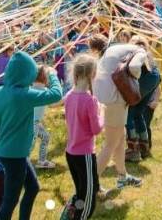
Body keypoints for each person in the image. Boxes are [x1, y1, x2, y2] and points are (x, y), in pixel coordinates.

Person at [0, 50, 63, 220]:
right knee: (10, 199)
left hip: (8, 151)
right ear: (26, 74)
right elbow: (56, 94)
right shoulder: (24, 95)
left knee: (33, 187)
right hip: (15, 154)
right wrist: (52, 75)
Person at [92, 34, 146, 188]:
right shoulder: (140, 51)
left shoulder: (116, 48)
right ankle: (91, 183)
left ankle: (122, 175)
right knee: (111, 143)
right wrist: (135, 78)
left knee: (120, 137)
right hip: (114, 98)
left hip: (104, 95)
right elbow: (135, 67)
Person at [63, 53, 103, 220]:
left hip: (70, 153)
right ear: (92, 75)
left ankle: (70, 214)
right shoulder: (90, 100)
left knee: (81, 191)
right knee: (88, 199)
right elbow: (96, 129)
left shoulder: (69, 96)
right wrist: (103, 114)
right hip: (83, 154)